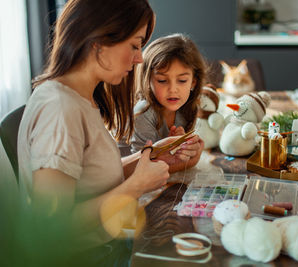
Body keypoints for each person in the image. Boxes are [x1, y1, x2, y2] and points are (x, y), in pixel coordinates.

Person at [16, 0, 202, 265]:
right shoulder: (60, 110)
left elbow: (92, 176)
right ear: (99, 40)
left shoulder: (80, 98)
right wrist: (136, 186)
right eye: (135, 45)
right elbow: (52, 227)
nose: (139, 58)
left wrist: (159, 157)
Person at [128, 33, 205, 171]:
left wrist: (184, 148)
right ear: (148, 81)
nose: (173, 90)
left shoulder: (187, 109)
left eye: (182, 81)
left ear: (193, 82)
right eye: (162, 81)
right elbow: (141, 168)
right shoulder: (142, 113)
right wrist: (193, 160)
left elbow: (171, 158)